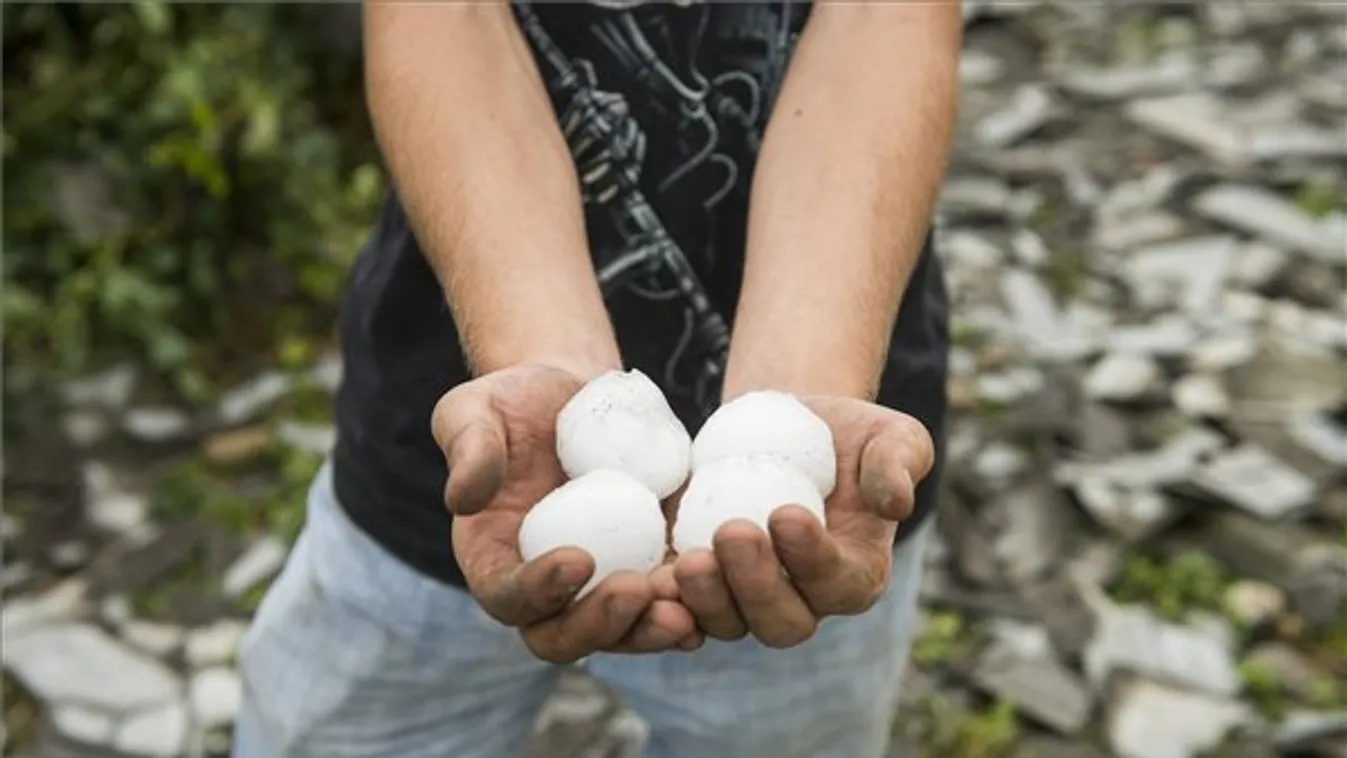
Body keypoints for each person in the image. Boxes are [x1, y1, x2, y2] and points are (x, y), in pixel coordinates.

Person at [232, 2, 959, 757]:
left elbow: (883, 20)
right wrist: (544, 365)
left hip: (816, 501)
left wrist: (798, 397)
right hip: (470, 459)